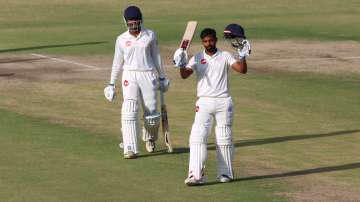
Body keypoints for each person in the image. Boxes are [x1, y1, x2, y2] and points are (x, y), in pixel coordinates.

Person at [173, 25, 251, 185]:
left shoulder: (225, 56)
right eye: (205, 41)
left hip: (224, 101)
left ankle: (226, 174)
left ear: (215, 40)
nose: (208, 43)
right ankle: (196, 175)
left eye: (211, 40)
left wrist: (243, 56)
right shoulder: (196, 57)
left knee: (224, 137)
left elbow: (242, 70)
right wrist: (181, 64)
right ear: (202, 42)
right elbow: (184, 75)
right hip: (204, 102)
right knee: (197, 137)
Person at [104, 5, 170, 159]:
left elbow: (156, 57)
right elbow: (117, 62)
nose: (134, 27)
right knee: (129, 109)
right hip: (130, 75)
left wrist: (162, 77)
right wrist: (111, 83)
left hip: (148, 74)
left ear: (141, 21)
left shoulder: (150, 35)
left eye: (136, 23)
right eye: (130, 23)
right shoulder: (121, 39)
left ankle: (149, 138)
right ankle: (130, 147)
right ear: (126, 22)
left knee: (152, 116)